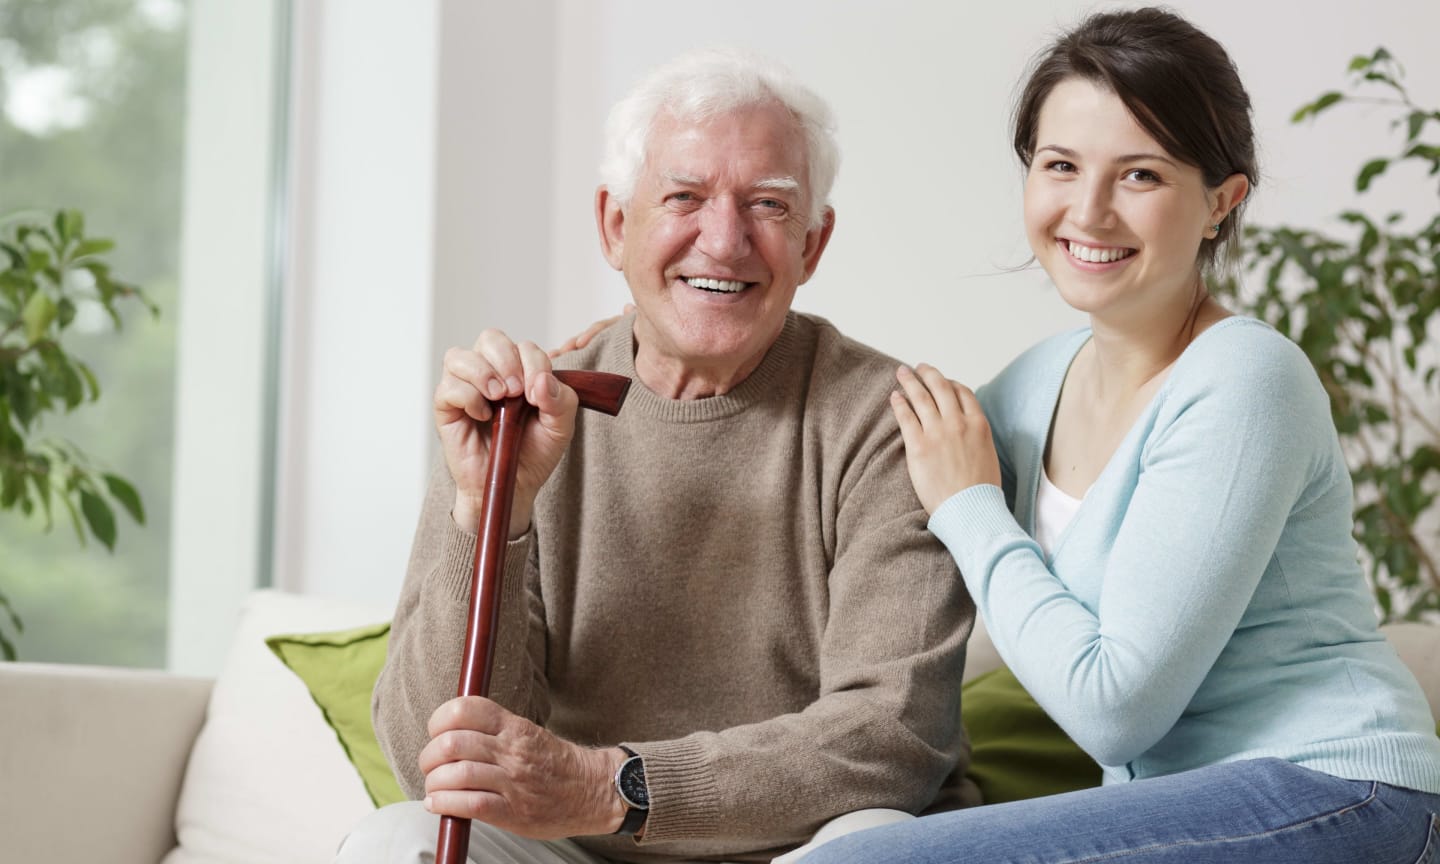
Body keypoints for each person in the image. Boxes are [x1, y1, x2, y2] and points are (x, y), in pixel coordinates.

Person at [798, 8, 1440, 863]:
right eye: (1061, 165)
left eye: (1139, 175)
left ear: (1221, 201)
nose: (1089, 211)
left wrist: (972, 505)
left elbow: (1114, 711)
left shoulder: (1246, 379)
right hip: (1189, 804)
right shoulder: (1033, 385)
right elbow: (859, 439)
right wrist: (659, 340)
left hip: (1340, 792)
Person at [332, 48, 980, 864]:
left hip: (799, 847)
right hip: (575, 853)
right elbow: (434, 762)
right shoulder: (521, 410)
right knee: (397, 841)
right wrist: (487, 512)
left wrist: (617, 785)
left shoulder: (888, 421)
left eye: (769, 206)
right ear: (614, 225)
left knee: (880, 851)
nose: (725, 240)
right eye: (684, 197)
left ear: (813, 245)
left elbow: (891, 737)